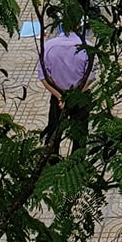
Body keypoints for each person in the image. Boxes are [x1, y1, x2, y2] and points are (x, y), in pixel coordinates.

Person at [38, 27, 94, 155]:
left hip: (57, 96)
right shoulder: (88, 48)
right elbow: (90, 77)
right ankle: (77, 165)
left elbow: (44, 78)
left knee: (53, 131)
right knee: (80, 136)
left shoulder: (48, 46)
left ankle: (51, 162)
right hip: (81, 98)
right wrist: (76, 96)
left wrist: (59, 97)